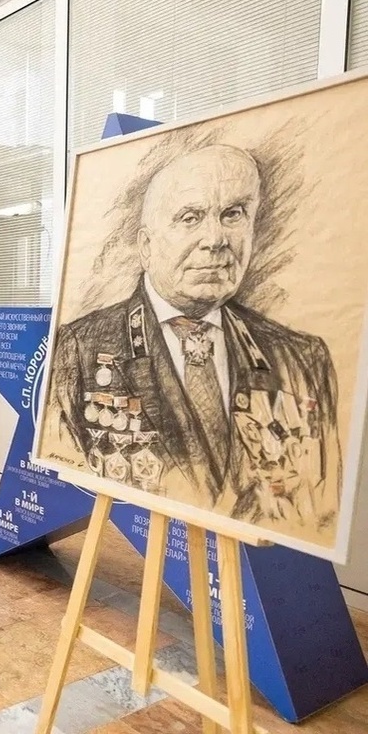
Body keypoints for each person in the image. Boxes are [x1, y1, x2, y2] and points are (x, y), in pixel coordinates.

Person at [47, 144, 340, 529]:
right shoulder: (80, 348)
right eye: (190, 218)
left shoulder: (301, 359)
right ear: (147, 246)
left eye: (233, 214)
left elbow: (321, 508)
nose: (215, 239)